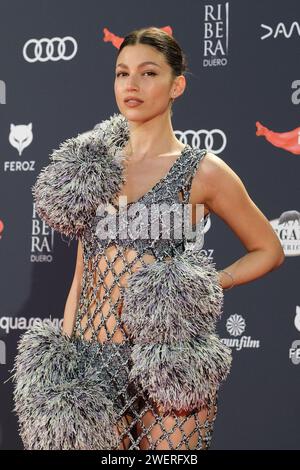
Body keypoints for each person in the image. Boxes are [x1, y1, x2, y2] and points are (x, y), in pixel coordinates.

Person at [10, 26, 284, 451]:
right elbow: (83, 274)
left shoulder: (203, 170)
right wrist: (64, 359)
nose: (132, 85)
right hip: (91, 363)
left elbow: (268, 248)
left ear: (177, 85)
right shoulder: (93, 168)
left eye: (148, 73)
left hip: (170, 362)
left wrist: (205, 284)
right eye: (122, 73)